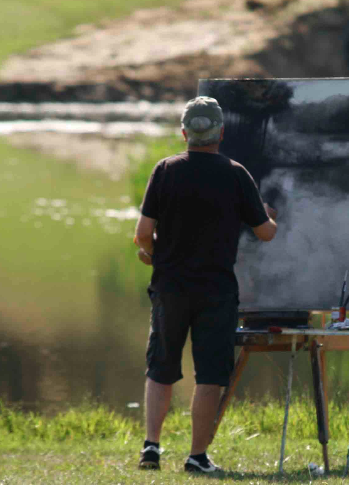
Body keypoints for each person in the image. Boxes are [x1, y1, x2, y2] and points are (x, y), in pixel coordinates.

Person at [133, 96, 278, 473]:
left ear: (184, 134)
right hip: (216, 292)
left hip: (170, 288)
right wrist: (268, 215)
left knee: (161, 367)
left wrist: (156, 255)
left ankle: (151, 449)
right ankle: (197, 457)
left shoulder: (165, 170)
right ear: (221, 133)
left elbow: (143, 234)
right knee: (210, 374)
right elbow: (265, 233)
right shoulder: (236, 174)